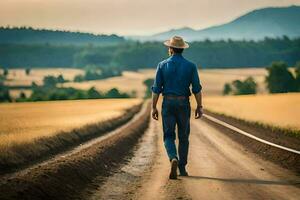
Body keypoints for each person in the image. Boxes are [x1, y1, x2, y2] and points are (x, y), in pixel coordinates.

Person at [151, 36, 203, 179]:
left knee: (168, 135)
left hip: (167, 103)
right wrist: (199, 106)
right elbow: (196, 89)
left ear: (171, 49)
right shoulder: (191, 66)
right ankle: (182, 168)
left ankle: (173, 157)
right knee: (184, 136)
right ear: (182, 49)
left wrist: (153, 107)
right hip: (183, 103)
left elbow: (156, 89)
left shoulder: (162, 65)